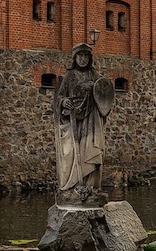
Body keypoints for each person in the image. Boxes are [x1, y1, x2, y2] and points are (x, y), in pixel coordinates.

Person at [54, 43, 113, 197]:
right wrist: (63, 101)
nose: (82, 59)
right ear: (75, 58)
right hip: (74, 117)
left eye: (85, 56)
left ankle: (90, 187)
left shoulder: (95, 75)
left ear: (89, 58)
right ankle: (74, 186)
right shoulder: (69, 76)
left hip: (91, 118)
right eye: (80, 56)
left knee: (90, 149)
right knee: (75, 150)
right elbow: (59, 96)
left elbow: (105, 96)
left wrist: (94, 88)